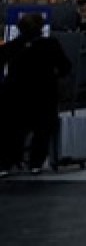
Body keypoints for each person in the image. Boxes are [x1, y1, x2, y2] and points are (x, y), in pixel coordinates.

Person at [0, 13, 72, 177]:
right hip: (44, 93)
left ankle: (6, 163)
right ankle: (35, 163)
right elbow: (65, 67)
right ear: (41, 28)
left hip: (15, 94)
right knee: (42, 129)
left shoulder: (11, 46)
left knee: (13, 129)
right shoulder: (51, 45)